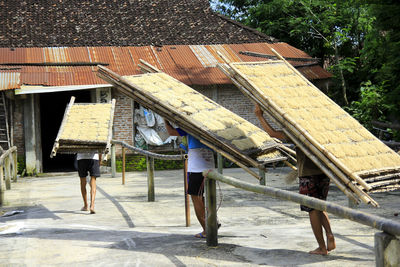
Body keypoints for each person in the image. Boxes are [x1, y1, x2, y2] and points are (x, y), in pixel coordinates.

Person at [254, 103, 336, 255]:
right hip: (324, 173)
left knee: (312, 209)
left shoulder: (298, 130)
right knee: (320, 206)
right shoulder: (321, 127)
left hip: (308, 174)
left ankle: (322, 247)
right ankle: (330, 234)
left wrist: (260, 116)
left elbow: (272, 133)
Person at [164, 119, 215, 238]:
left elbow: (171, 132)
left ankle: (207, 230)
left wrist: (166, 120)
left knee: (197, 199)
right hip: (210, 166)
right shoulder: (209, 126)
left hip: (196, 169)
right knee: (206, 199)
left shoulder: (190, 126)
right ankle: (213, 223)